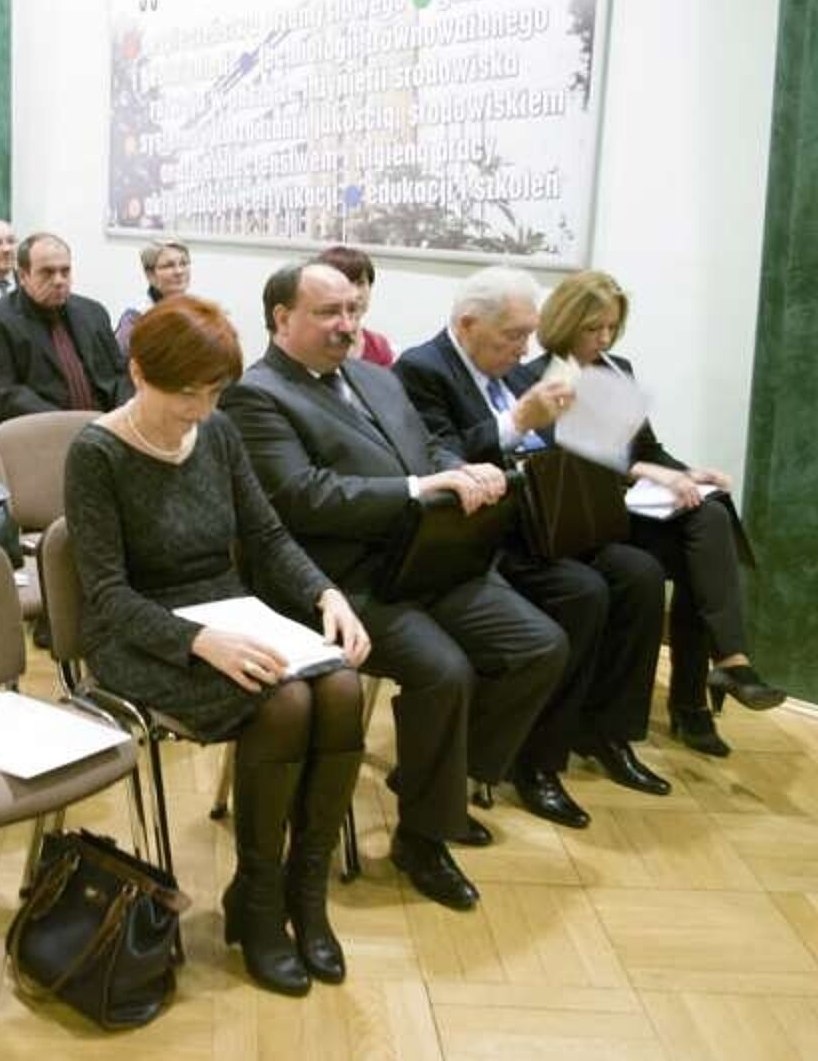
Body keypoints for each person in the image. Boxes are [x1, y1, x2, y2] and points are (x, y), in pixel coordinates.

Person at [220, 261, 566, 912]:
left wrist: (463, 471)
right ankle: (423, 838)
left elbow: (428, 447)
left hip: (428, 560)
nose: (347, 325)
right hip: (342, 584)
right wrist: (419, 488)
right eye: (329, 312)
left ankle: (435, 779)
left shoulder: (376, 377)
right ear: (281, 318)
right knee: (444, 673)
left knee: (539, 646)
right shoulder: (258, 395)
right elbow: (304, 497)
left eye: (353, 310)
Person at [66, 294, 368, 995]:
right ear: (138, 373)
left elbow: (266, 536)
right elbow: (107, 594)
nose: (200, 410)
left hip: (230, 614)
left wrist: (327, 595)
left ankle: (305, 893)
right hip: (141, 635)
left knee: (342, 685)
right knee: (285, 702)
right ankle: (258, 902)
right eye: (185, 393)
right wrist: (199, 641)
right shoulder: (96, 452)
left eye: (213, 392)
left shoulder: (219, 434)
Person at [395, 267, 671, 814]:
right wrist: (519, 420)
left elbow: (554, 455)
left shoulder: (512, 370)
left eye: (528, 333)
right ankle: (537, 758)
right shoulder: (424, 369)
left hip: (544, 521)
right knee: (583, 591)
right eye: (514, 336)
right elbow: (437, 458)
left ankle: (607, 732)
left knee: (640, 575)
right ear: (468, 324)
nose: (525, 349)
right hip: (487, 537)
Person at [534, 269, 785, 755]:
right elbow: (572, 466)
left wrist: (689, 473)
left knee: (709, 518)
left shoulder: (616, 369)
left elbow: (646, 447)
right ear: (565, 323)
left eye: (612, 328)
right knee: (700, 549)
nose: (604, 339)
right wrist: (644, 472)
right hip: (587, 518)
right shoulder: (541, 378)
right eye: (593, 328)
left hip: (630, 509)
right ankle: (699, 697)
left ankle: (729, 664)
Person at [0, 233, 132, 431]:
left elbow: (120, 374)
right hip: (35, 431)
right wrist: (69, 424)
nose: (59, 280)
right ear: (23, 276)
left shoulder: (93, 312)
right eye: (47, 272)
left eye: (65, 271)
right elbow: (3, 393)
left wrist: (120, 417)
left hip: (103, 428)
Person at [317, 245, 395, 366]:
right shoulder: (307, 342)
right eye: (345, 283)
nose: (355, 294)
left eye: (360, 283)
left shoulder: (379, 347)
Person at [113, 238, 191, 353]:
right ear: (150, 274)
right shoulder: (135, 318)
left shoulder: (196, 312)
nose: (179, 271)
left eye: (184, 263)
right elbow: (118, 360)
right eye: (169, 265)